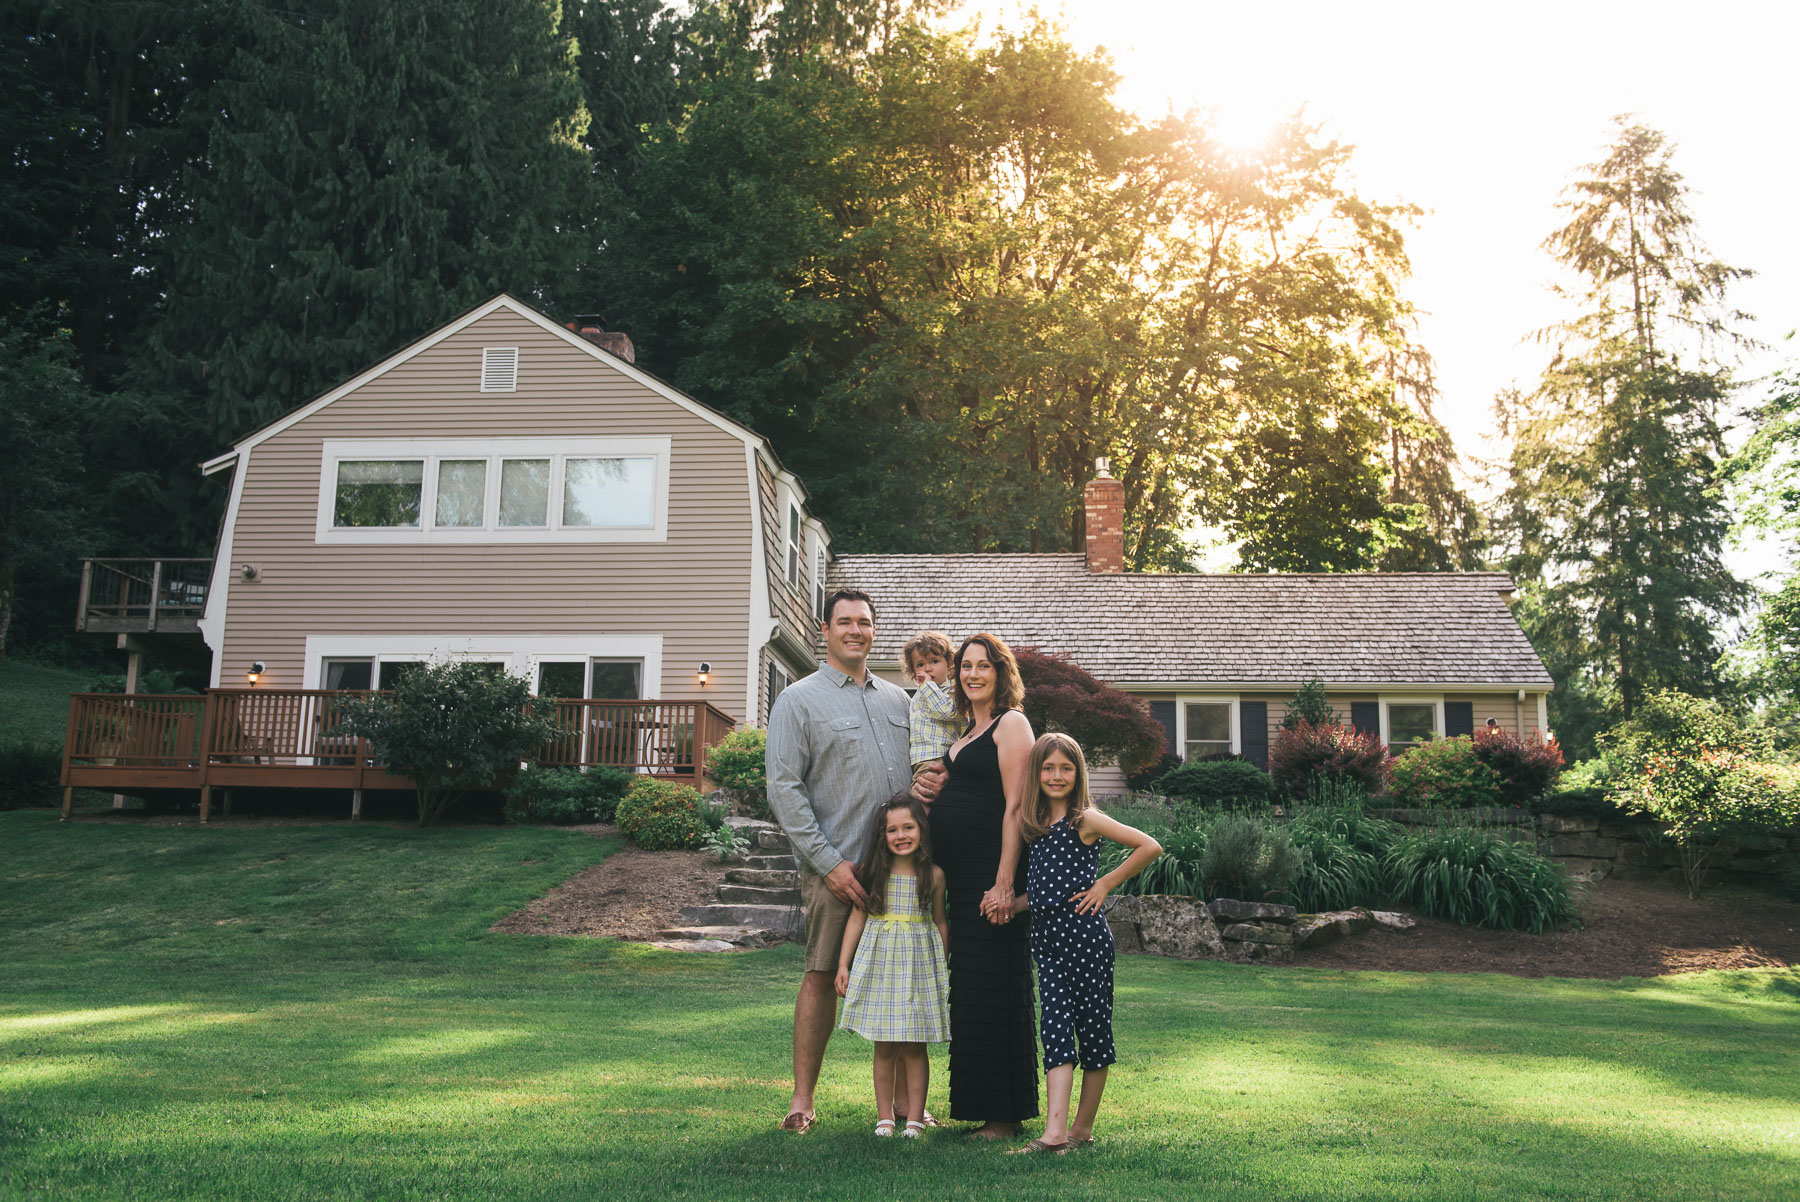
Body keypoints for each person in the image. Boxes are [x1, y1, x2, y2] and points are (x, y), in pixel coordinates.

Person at [766, 588, 944, 1133]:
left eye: (864, 623)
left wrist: (933, 779)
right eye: (844, 622)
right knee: (821, 975)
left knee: (907, 981)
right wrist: (829, 864)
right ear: (826, 630)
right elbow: (784, 790)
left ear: (874, 631)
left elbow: (924, 765)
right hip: (837, 866)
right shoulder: (798, 700)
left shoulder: (901, 702)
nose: (855, 631)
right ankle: (802, 1101)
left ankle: (903, 1108)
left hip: (905, 873)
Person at [1008, 733, 1161, 1154]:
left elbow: (1149, 845)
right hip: (1048, 944)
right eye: (1048, 768)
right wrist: (1009, 904)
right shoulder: (1036, 827)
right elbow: (1044, 892)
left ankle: (1081, 1129)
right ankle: (1053, 1134)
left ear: (1078, 774)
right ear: (1036, 773)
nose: (1056, 776)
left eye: (1066, 768)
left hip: (1086, 941)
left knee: (1093, 1034)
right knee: (1055, 1030)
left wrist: (1105, 885)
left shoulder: (1086, 820)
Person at [926, 631, 1040, 1138]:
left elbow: (1018, 806)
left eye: (983, 666)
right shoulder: (964, 735)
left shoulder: (1011, 723)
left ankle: (1004, 1115)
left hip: (992, 878)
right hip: (964, 879)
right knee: (971, 991)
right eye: (965, 666)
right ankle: (985, 1110)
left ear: (1001, 673)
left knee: (997, 987)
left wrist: (1003, 883)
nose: (972, 674)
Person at [835, 794, 951, 1138]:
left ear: (921, 830)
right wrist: (844, 964)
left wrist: (942, 966)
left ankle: (914, 1118)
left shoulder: (934, 875)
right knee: (883, 1045)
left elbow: (941, 922)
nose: (901, 836)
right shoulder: (873, 872)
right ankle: (885, 1116)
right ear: (882, 836)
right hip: (881, 967)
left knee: (915, 1045)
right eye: (892, 830)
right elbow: (856, 920)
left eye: (908, 827)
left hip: (918, 968)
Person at [903, 631, 961, 791]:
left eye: (934, 661)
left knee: (916, 804)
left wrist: (928, 686)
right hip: (919, 759)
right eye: (920, 665)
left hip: (936, 758)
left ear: (949, 663)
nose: (927, 669)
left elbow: (947, 712)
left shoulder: (953, 690)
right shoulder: (921, 693)